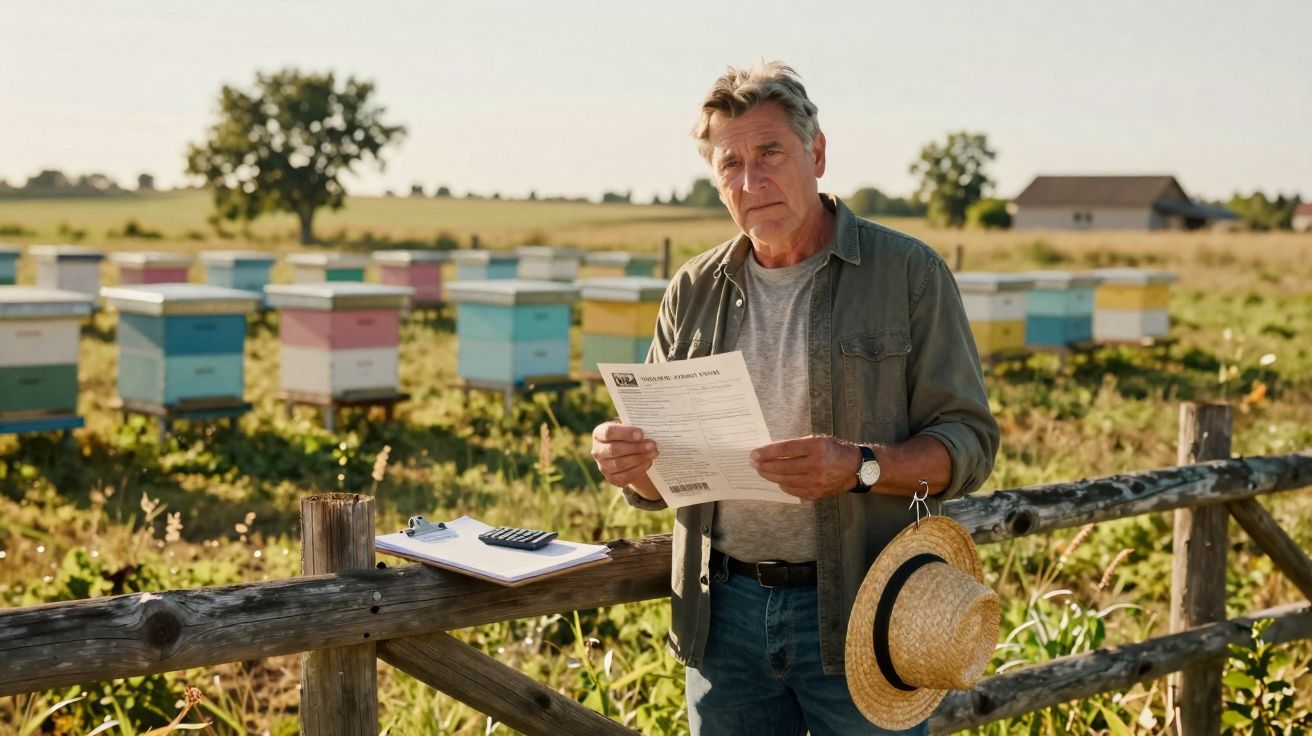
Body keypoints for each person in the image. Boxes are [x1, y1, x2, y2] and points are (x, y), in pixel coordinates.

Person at [590, 61, 999, 736]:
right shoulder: (692, 290)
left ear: (817, 152)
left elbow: (969, 444)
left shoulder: (909, 274)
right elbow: (664, 480)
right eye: (731, 164)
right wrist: (630, 464)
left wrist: (861, 466)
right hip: (722, 616)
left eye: (770, 153)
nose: (751, 182)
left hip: (865, 609)